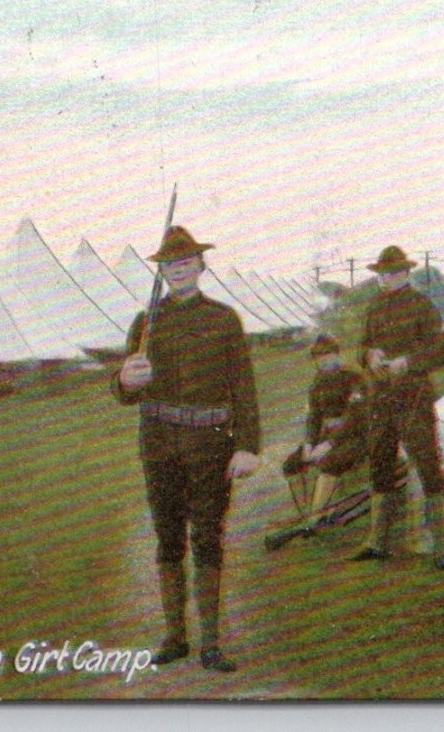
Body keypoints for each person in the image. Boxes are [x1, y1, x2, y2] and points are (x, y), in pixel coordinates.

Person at [113, 225, 260, 673]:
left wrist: (247, 446)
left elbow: (244, 388)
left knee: (208, 537)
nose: (178, 269)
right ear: (161, 271)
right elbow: (125, 390)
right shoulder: (145, 323)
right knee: (168, 537)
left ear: (200, 265)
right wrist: (125, 379)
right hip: (159, 444)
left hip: (211, 445)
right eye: (169, 263)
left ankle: (211, 643)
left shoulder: (224, 319)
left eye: (186, 261)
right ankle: (175, 637)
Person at [352, 246, 444, 569]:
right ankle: (377, 542)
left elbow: (443, 352)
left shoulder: (422, 305)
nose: (385, 279)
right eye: (382, 274)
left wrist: (408, 362)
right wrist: (369, 355)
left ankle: (443, 547)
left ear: (405, 273)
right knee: (380, 464)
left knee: (428, 465)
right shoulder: (374, 306)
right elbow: (362, 346)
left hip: (414, 398)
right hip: (381, 399)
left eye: (391, 273)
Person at [279, 334, 385, 535]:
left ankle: (314, 519)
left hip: (356, 437)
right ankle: (308, 515)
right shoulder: (318, 383)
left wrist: (329, 444)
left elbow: (353, 418)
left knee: (329, 463)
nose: (323, 360)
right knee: (291, 465)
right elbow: (314, 417)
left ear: (337, 354)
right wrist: (309, 444)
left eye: (327, 355)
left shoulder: (354, 377)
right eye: (318, 357)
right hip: (327, 438)